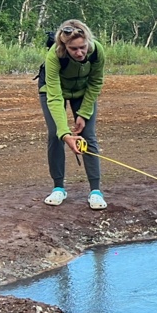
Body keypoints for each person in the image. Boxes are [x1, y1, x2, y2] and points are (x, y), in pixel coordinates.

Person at [38, 19, 107, 210]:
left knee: (88, 135)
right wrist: (64, 132)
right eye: (73, 49)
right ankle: (58, 187)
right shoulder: (54, 55)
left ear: (88, 42)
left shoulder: (97, 51)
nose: (79, 53)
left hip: (83, 92)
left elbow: (95, 83)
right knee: (55, 135)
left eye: (82, 47)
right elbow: (54, 97)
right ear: (64, 46)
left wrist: (83, 114)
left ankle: (95, 191)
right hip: (53, 91)